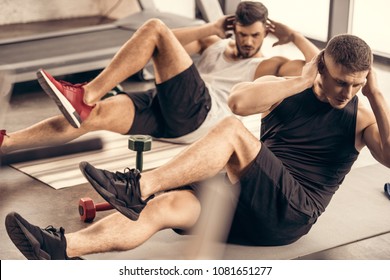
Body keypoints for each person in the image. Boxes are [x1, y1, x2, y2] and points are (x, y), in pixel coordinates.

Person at [6, 33, 390, 260]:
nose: (348, 92)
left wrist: (376, 96)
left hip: (292, 213)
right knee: (165, 207)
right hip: (247, 201)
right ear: (321, 67)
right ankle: (60, 247)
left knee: (231, 133)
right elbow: (240, 102)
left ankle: (137, 186)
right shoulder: (288, 88)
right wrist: (301, 82)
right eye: (342, 82)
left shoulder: (361, 116)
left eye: (357, 84)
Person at [0, 1, 318, 154]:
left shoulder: (267, 66)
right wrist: (210, 29)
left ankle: (84, 94)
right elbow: (158, 45)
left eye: (255, 36)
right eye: (243, 34)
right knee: (91, 118)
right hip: (166, 110)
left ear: (265, 34)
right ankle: (7, 143)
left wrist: (295, 36)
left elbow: (317, 67)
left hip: (200, 116)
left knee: (154, 26)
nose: (249, 42)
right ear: (233, 29)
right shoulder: (214, 44)